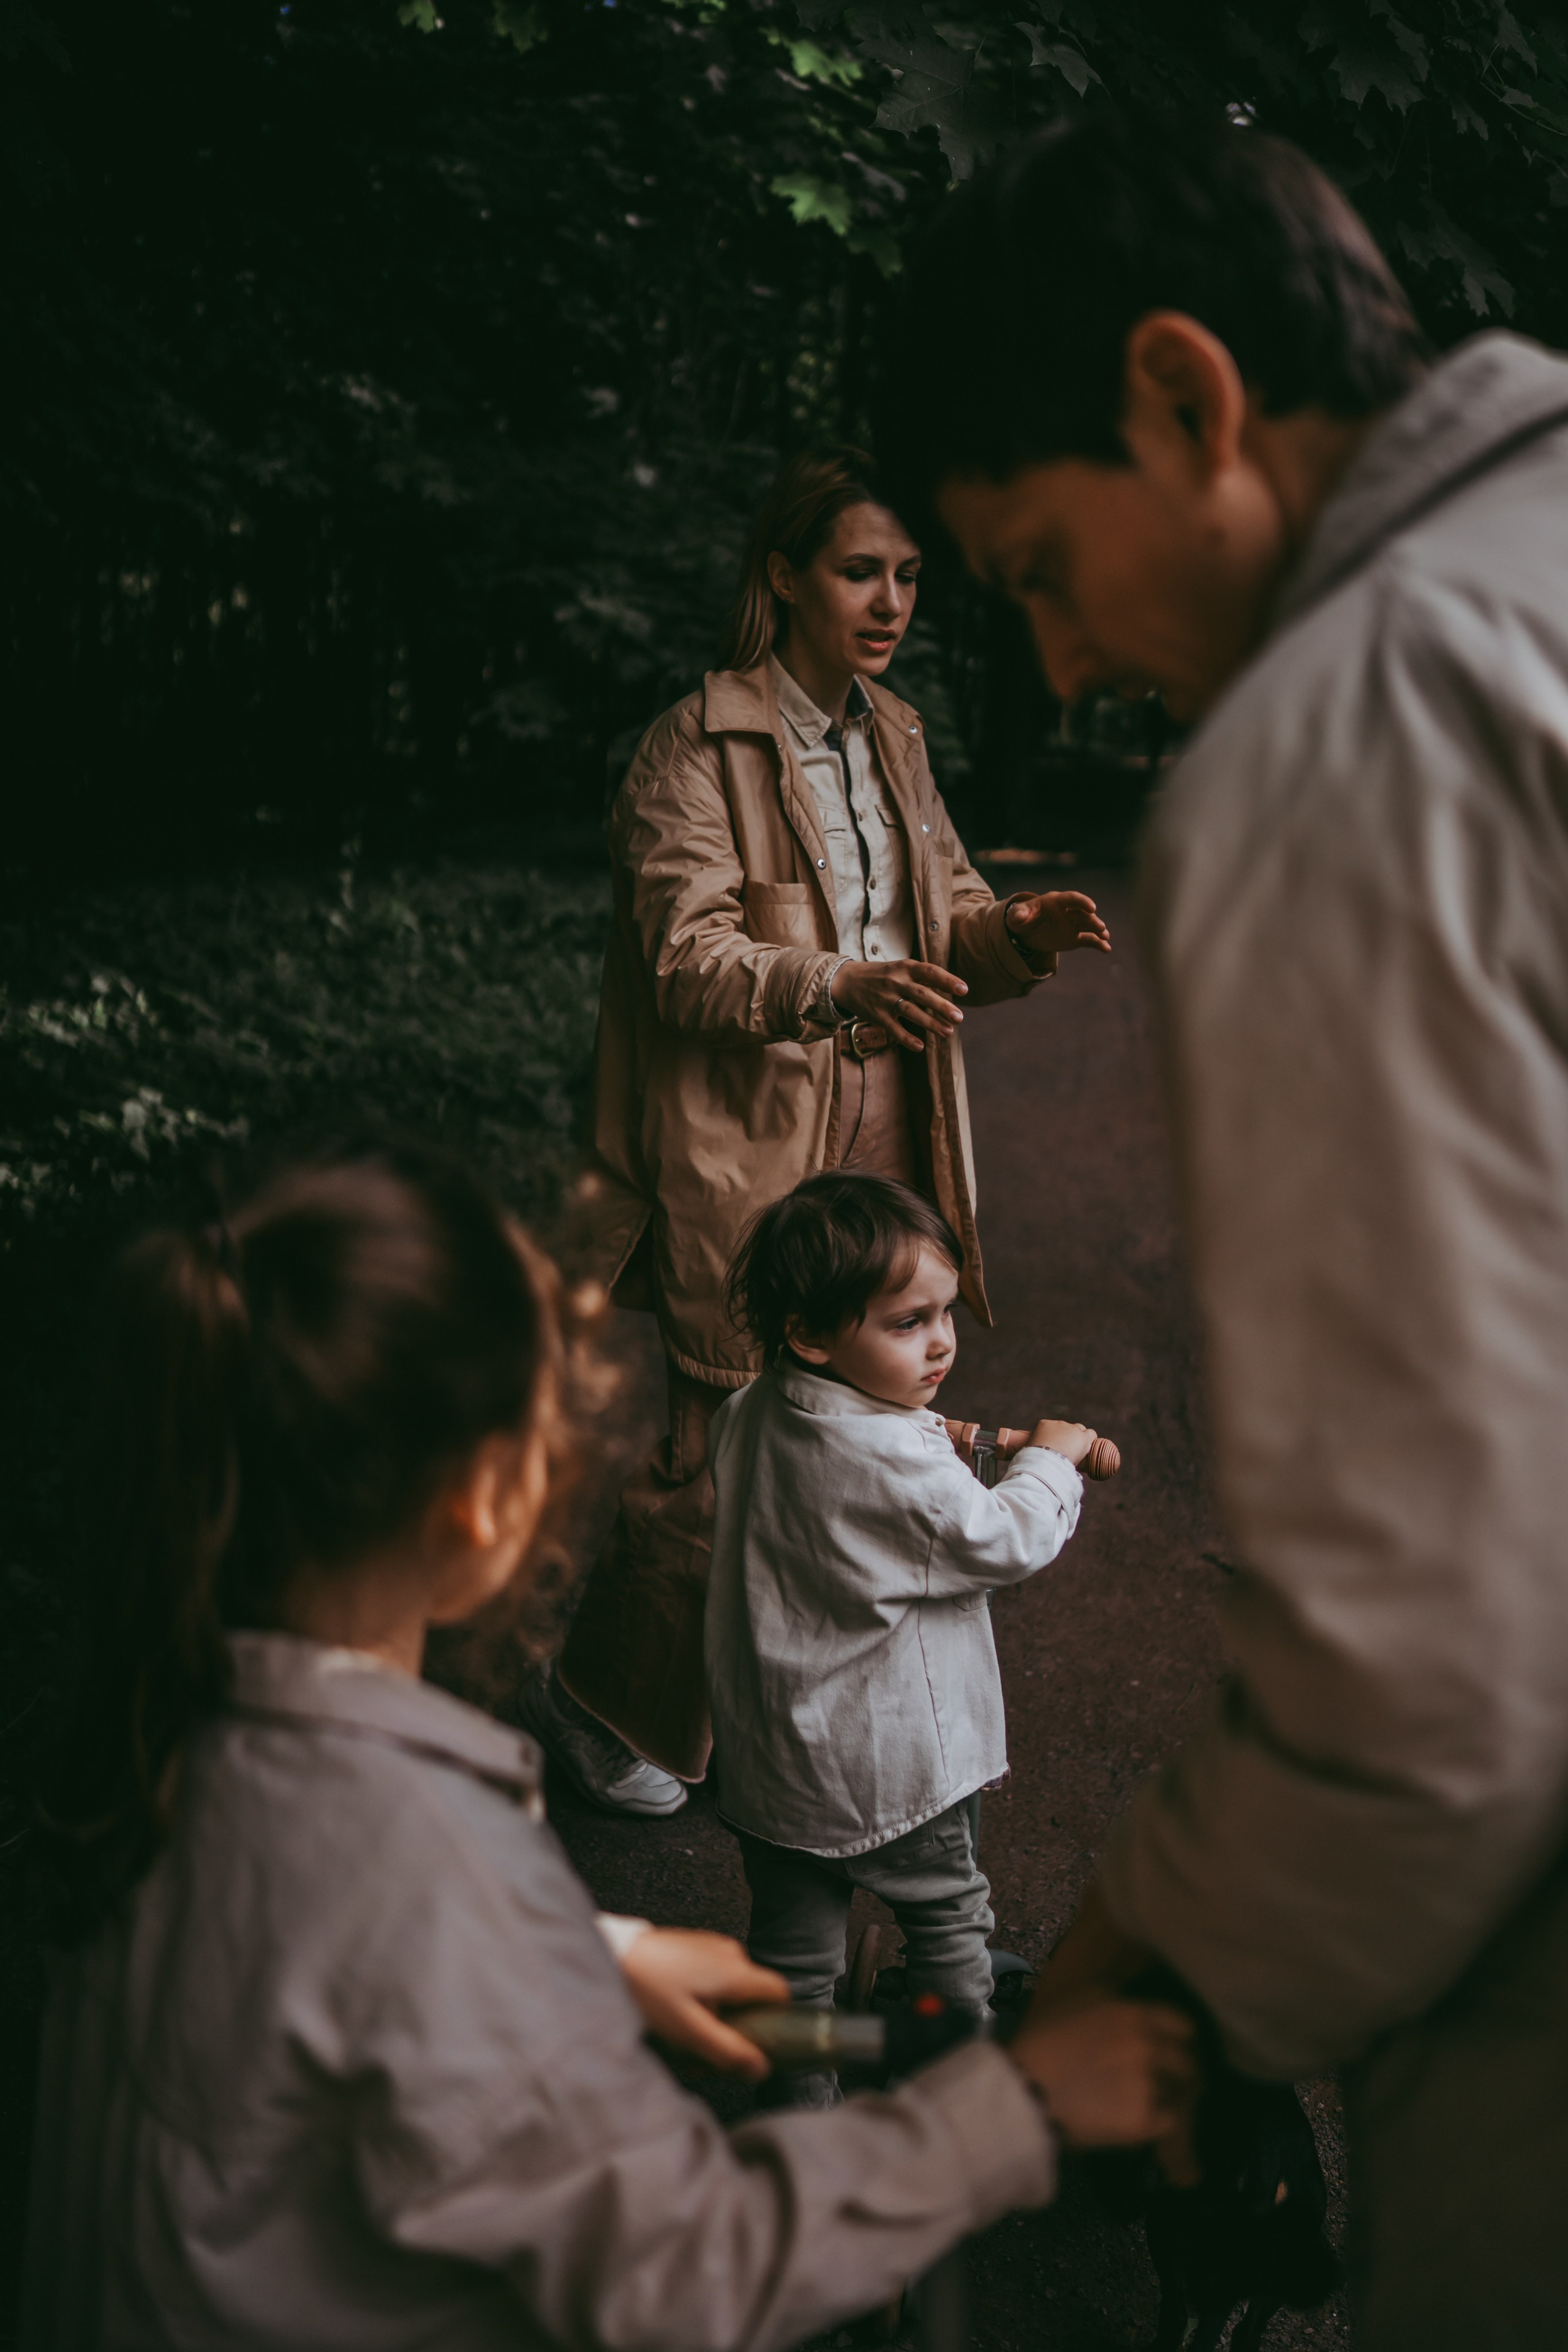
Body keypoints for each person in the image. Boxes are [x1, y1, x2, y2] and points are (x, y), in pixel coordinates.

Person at [878, 104, 1568, 2350]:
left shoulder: (1359, 726)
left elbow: (1437, 1683)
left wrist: (1140, 1976)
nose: (1059, 665)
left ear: (1185, 398)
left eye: (1038, 566)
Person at [21, 1142, 1196, 2350]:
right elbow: (681, 2271)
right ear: (481, 1506)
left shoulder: (160, 1741)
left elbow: (301, 1957)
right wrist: (1017, 2107)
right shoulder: (441, 1863)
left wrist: (590, 1954)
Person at [522, 443, 1112, 1816]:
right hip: (741, 1145)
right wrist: (834, 982)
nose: (890, 599)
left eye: (907, 575)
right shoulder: (694, 738)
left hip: (891, 1127)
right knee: (718, 1439)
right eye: (860, 570)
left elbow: (948, 901)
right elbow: (686, 954)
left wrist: (1010, 935)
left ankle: (797, 1698)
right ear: (782, 576)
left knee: (861, 1419)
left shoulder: (894, 731)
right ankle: (614, 1704)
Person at [707, 1170, 1099, 2108]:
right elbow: (1003, 1539)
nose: (941, 1343)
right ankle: (956, 2081)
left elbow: (865, 1460)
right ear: (811, 1334)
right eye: (907, 1323)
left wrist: (939, 1430)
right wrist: (1052, 1458)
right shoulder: (898, 1466)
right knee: (949, 1920)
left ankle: (795, 2111)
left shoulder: (748, 1415)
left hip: (775, 1764)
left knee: (793, 1960)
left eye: (946, 1313)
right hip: (891, 1769)